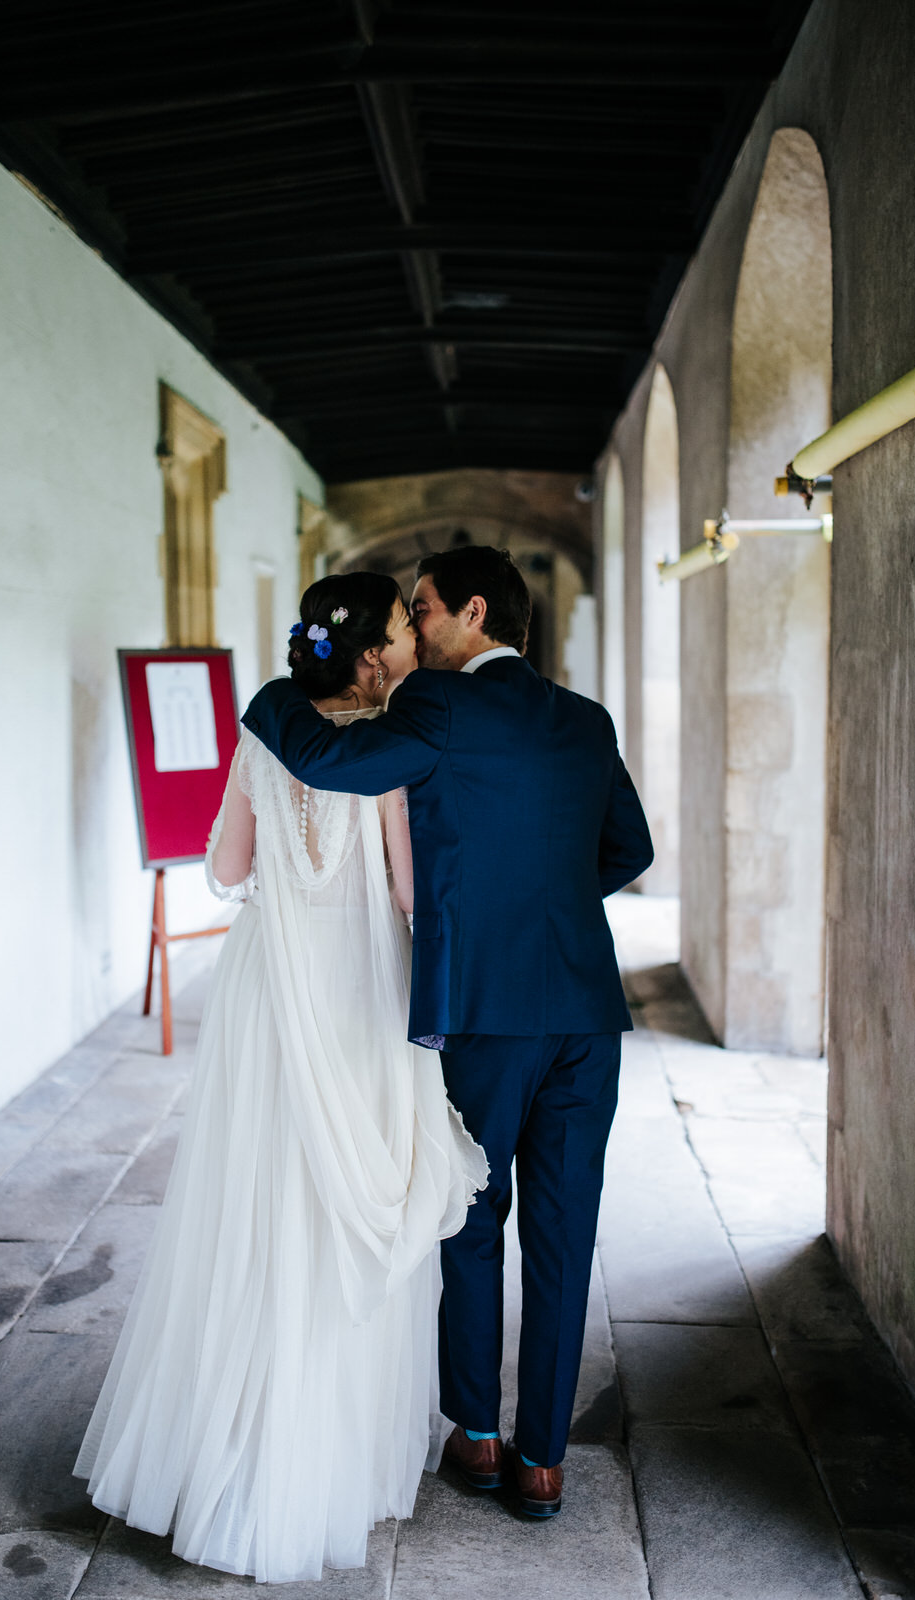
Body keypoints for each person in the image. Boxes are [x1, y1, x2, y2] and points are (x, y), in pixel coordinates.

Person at [74, 573, 487, 1583]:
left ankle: (232, 1450)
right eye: (395, 627)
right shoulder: (386, 746)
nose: (402, 641)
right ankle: (330, 1463)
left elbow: (222, 866)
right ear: (365, 655)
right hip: (359, 987)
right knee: (349, 1214)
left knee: (255, 1209)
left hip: (269, 984)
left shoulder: (266, 733)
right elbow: (402, 886)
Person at [242, 544, 653, 1519]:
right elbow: (628, 847)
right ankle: (543, 1459)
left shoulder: (439, 708)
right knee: (564, 1231)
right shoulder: (584, 720)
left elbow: (326, 756)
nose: (413, 630)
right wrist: (544, 897)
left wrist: (271, 688)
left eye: (421, 611)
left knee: (471, 1215)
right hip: (587, 1019)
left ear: (473, 612)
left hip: (486, 1014)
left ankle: (474, 1434)